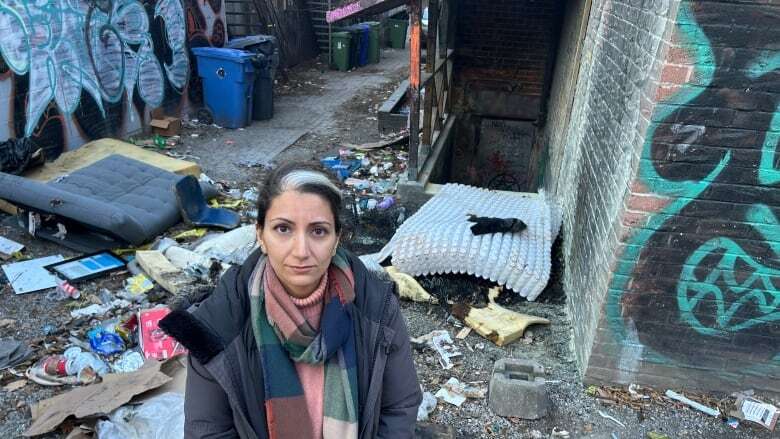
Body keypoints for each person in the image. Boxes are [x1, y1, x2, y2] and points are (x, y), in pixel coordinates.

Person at [161, 163, 421, 438]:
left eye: (318, 231)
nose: (301, 251)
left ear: (336, 240)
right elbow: (209, 431)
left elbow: (399, 407)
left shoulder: (376, 307)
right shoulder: (219, 323)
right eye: (283, 229)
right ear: (261, 234)